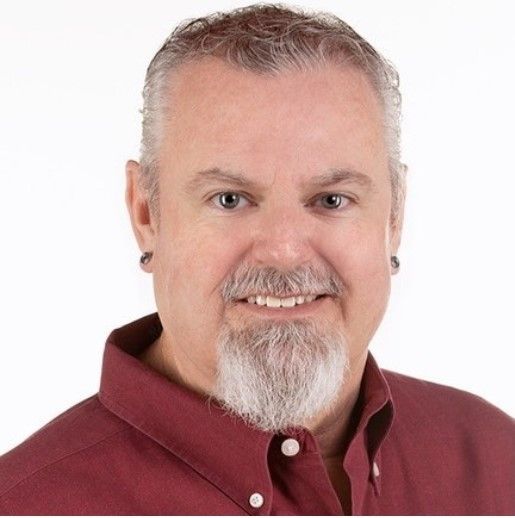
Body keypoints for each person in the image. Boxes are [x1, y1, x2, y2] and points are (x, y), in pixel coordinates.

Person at [0, 3, 513, 515]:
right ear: (145, 212)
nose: (285, 252)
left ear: (394, 216)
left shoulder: (495, 460)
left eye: (331, 199)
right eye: (230, 199)